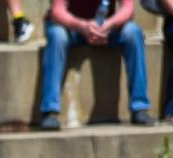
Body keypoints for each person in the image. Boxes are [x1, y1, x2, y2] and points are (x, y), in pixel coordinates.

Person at [36, 0, 152, 130]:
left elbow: (128, 9)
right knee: (57, 35)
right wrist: (83, 26)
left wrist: (109, 24)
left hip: (106, 27)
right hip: (71, 27)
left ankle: (140, 107)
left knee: (133, 32)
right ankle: (50, 110)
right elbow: (57, 12)